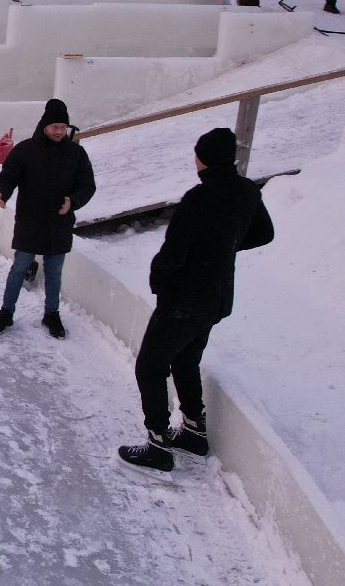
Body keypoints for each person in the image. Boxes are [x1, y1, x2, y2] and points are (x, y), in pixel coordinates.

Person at [117, 128, 274, 478]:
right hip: (216, 298)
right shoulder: (247, 191)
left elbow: (174, 251)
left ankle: (158, 444)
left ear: (203, 159)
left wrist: (159, 279)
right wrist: (224, 248)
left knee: (150, 365)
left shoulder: (199, 198)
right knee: (186, 358)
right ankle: (193, 431)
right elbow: (264, 233)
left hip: (184, 298)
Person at [0, 98, 97, 340]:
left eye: (63, 127)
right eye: (55, 127)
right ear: (44, 126)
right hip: (30, 221)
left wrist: (73, 201)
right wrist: (1, 192)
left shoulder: (76, 154)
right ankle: (6, 312)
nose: (59, 132)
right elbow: (9, 174)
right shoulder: (26, 150)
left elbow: (87, 186)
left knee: (54, 272)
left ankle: (51, 314)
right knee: (19, 267)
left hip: (59, 223)